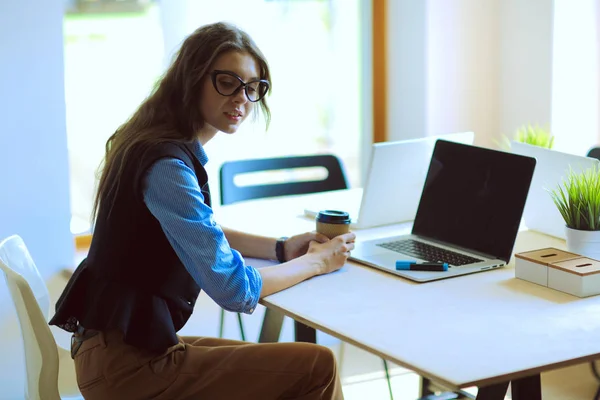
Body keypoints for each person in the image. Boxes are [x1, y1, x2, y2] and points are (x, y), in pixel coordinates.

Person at [49, 21, 355, 400]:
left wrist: (281, 249)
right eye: (227, 82)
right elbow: (235, 289)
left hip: (124, 351)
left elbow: (199, 233)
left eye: (253, 87)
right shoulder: (167, 165)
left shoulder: (151, 142)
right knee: (317, 366)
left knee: (296, 366)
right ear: (192, 79)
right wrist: (319, 262)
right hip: (128, 371)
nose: (242, 97)